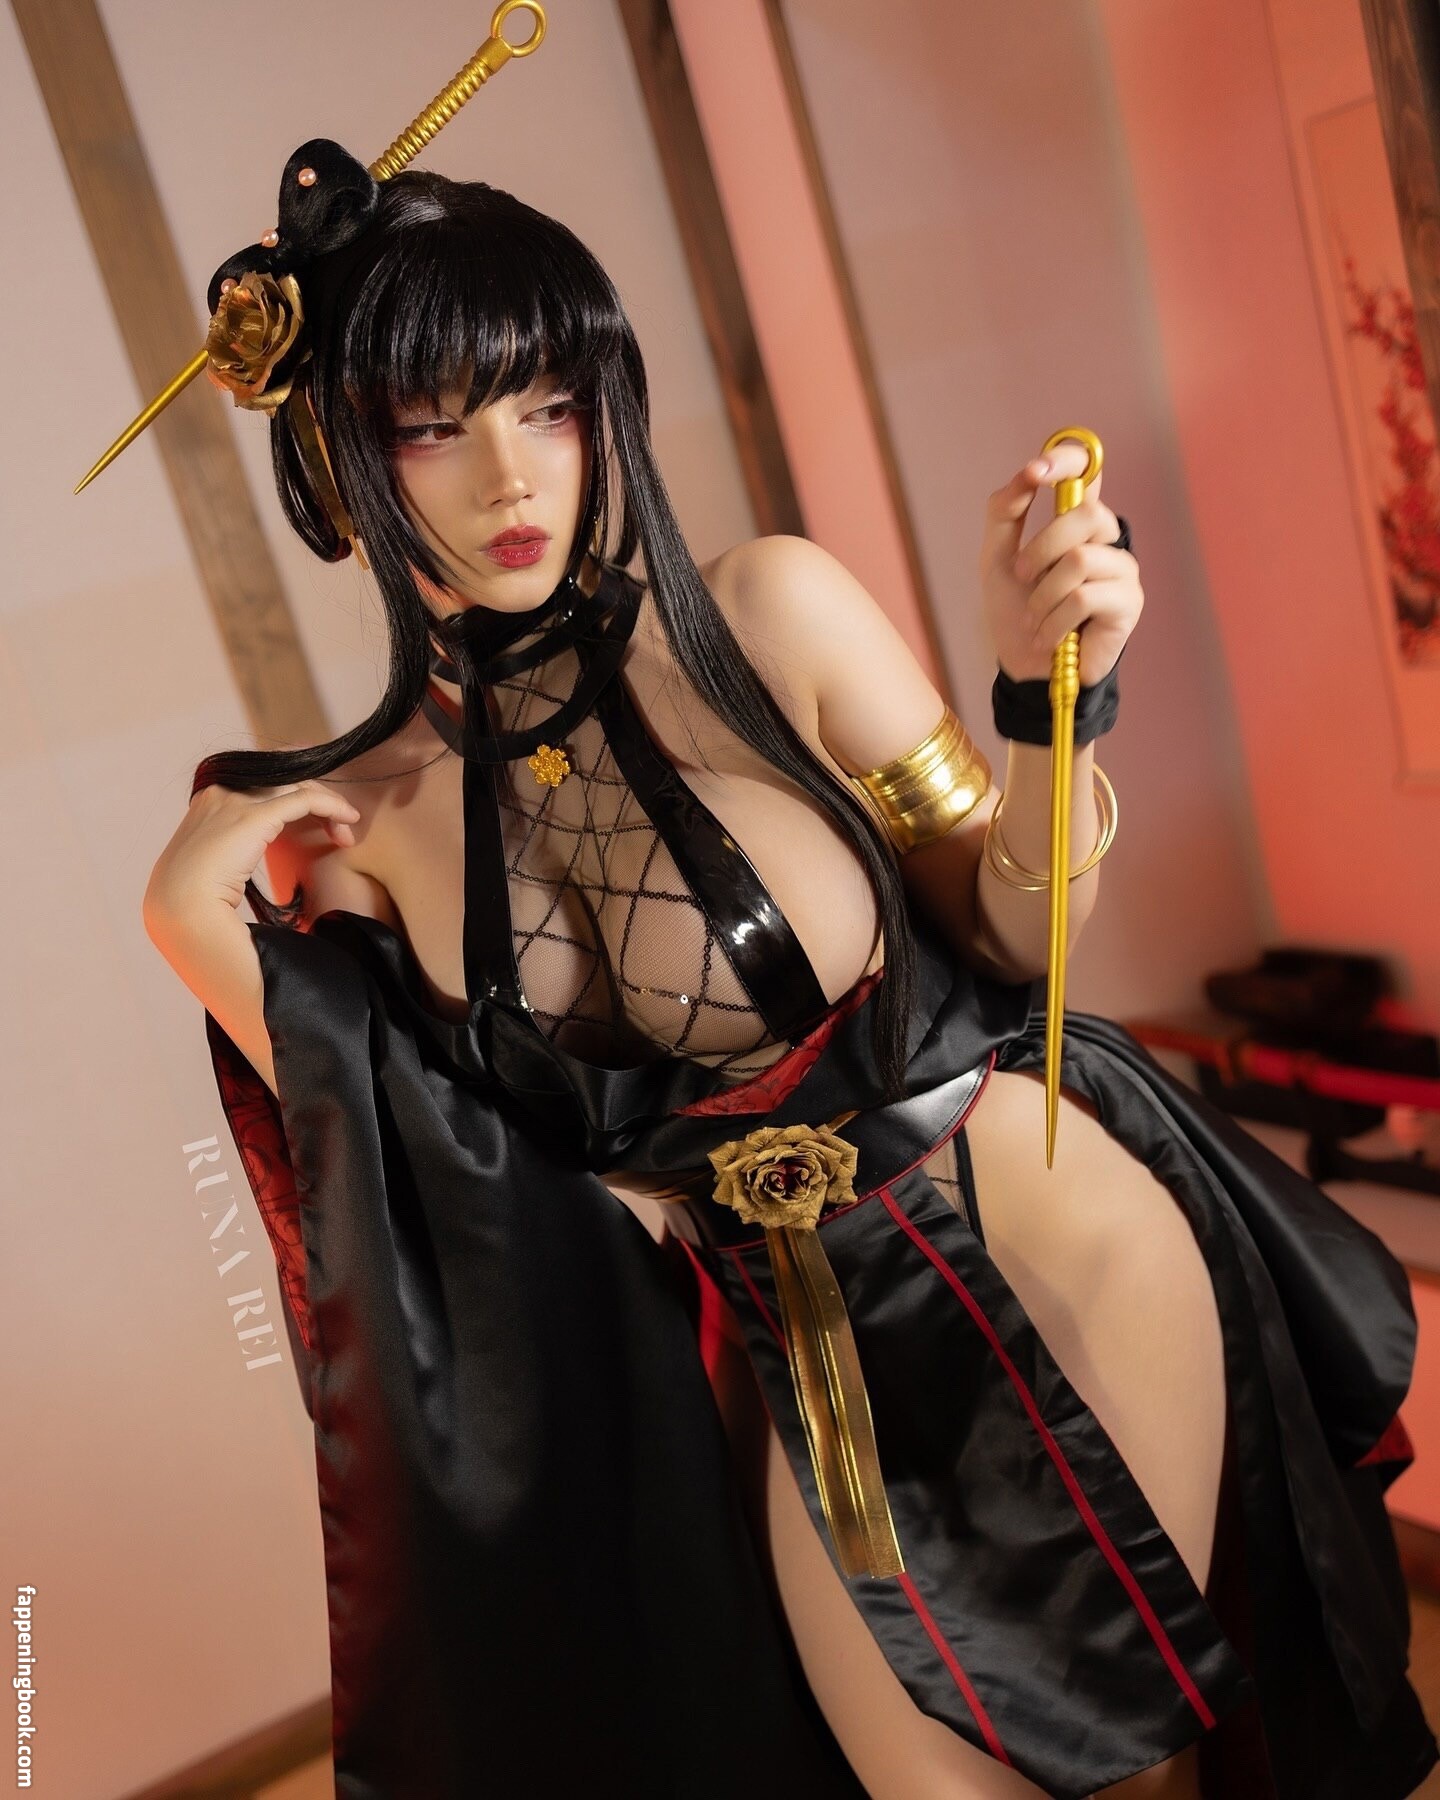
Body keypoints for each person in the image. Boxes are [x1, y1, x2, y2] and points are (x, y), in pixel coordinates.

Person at [139, 143, 1438, 1800]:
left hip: (1049, 1229)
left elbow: (1016, 936)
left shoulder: (770, 613)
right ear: (339, 460)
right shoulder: (367, 828)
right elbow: (442, 1197)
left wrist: (1047, 707)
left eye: (548, 404)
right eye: (430, 427)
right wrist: (191, 929)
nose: (509, 476)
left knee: (1152, 1776)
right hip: (796, 1361)